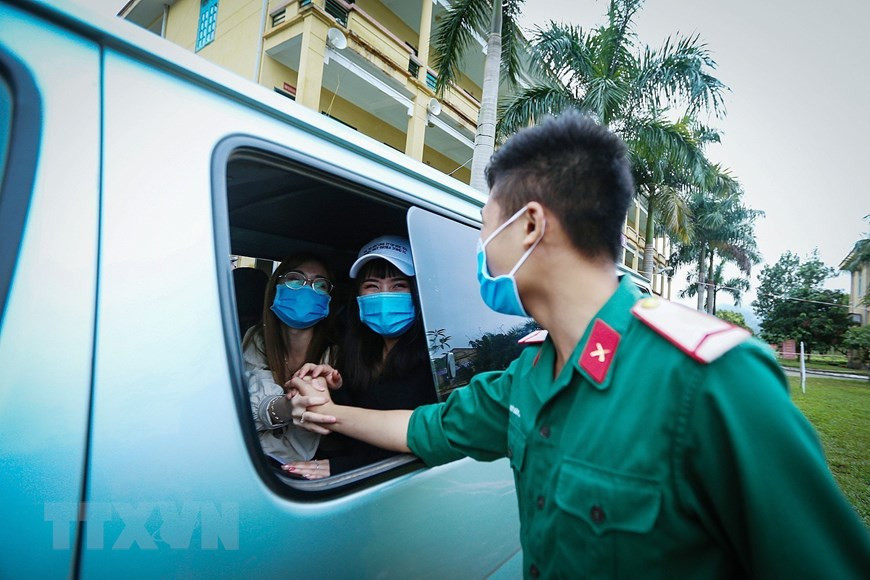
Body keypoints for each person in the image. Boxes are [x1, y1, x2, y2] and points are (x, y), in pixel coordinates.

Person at [290, 112, 870, 577]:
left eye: (485, 226)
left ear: (530, 226)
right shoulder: (527, 377)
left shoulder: (710, 380)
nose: (481, 251)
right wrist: (330, 412)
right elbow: (420, 428)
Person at [283, 236, 437, 479]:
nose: (384, 295)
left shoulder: (436, 357)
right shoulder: (355, 349)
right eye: (372, 286)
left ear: (416, 293)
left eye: (398, 286)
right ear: (358, 297)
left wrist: (345, 468)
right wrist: (327, 390)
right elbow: (346, 427)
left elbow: (431, 438)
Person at [242, 253, 337, 466]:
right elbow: (250, 405)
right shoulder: (257, 338)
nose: (306, 289)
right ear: (276, 286)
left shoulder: (337, 353)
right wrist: (286, 407)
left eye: (320, 285)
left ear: (329, 297)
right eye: (296, 279)